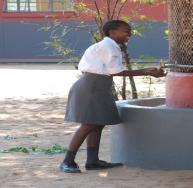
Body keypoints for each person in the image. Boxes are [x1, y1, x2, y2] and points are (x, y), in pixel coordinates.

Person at [60, 20, 165, 173]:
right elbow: (115, 71)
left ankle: (92, 161)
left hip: (98, 85)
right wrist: (146, 71)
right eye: (126, 31)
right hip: (92, 86)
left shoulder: (108, 45)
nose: (129, 34)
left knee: (97, 123)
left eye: (130, 31)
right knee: (88, 124)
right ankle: (67, 161)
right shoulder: (109, 46)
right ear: (112, 32)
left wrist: (146, 71)